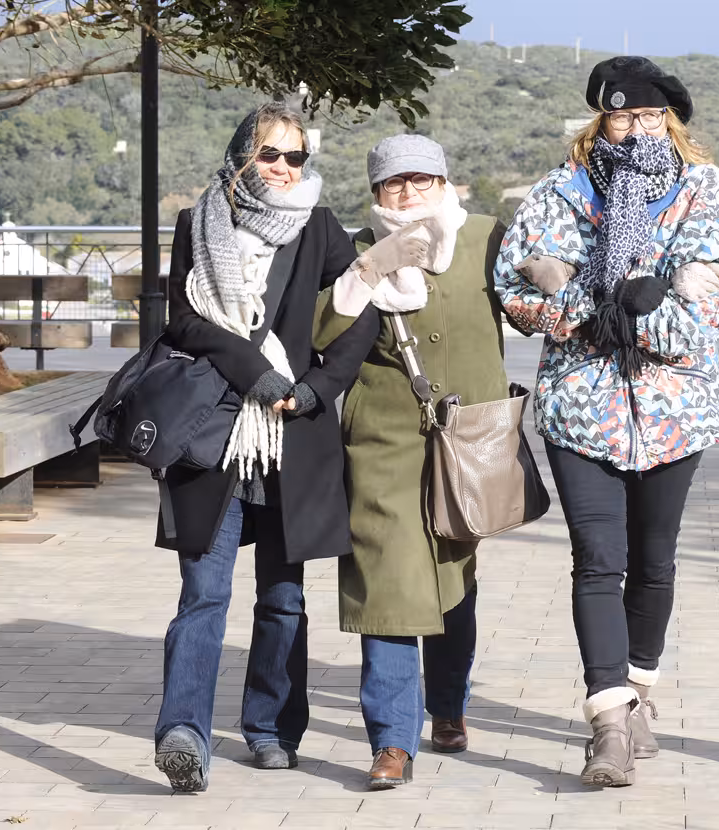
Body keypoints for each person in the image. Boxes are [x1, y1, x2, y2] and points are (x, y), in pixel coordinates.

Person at [495, 56, 719, 788]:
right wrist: (594, 305)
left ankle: (640, 695)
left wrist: (640, 304)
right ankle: (608, 719)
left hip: (674, 410)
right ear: (599, 120)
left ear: (668, 121)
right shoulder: (559, 192)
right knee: (597, 561)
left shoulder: (699, 191)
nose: (632, 128)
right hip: (582, 406)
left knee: (655, 560)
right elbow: (515, 282)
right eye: (619, 115)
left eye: (646, 116)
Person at [153, 103, 379, 793]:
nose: (283, 168)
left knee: (283, 598)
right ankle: (183, 734)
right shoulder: (199, 221)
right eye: (270, 153)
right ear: (241, 154)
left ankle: (273, 727)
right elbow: (185, 321)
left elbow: (363, 308)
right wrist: (253, 369)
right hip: (214, 433)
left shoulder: (316, 225)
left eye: (295, 157)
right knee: (203, 593)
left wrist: (314, 391)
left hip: (291, 434)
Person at [312, 134, 508, 790]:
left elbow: (534, 302)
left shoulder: (485, 236)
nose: (409, 192)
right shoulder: (354, 251)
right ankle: (392, 740)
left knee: (453, 580)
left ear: (445, 182)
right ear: (375, 193)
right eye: (395, 183)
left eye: (422, 179)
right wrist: (370, 271)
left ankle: (447, 706)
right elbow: (321, 335)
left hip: (466, 440)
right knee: (388, 584)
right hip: (382, 441)